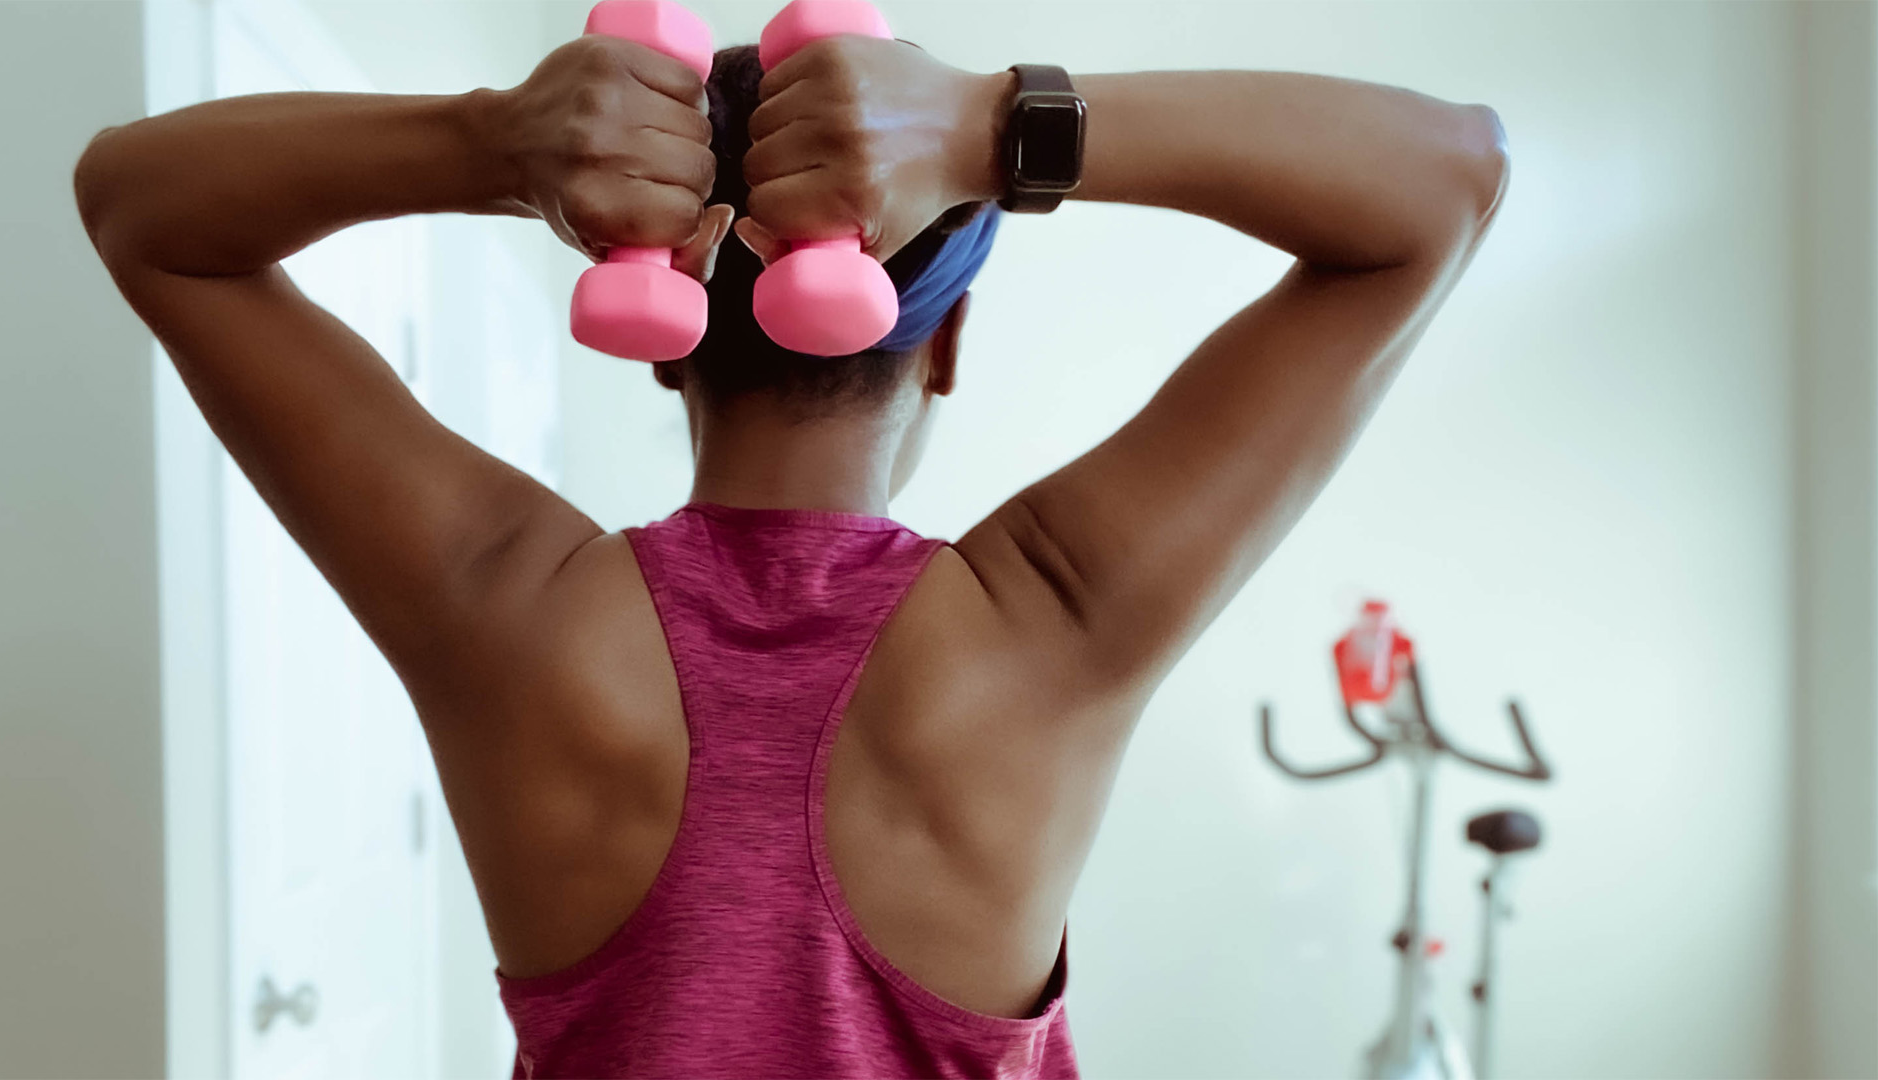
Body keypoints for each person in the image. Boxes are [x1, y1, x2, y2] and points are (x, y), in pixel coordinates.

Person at [75, 20, 1507, 1079]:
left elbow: (144, 209)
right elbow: (1445, 180)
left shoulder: (505, 605)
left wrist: (492, 145)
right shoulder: (1049, 622)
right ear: (942, 344)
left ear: (663, 344)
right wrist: (997, 124)